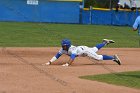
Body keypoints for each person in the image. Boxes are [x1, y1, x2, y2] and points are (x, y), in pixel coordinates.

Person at [43, 39, 121, 66]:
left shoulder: (72, 50)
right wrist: (49, 62)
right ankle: (105, 42)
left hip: (85, 51)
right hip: (82, 48)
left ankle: (114, 57)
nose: (62, 46)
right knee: (94, 49)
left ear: (67, 45)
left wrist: (67, 64)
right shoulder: (63, 49)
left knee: (98, 58)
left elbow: (72, 58)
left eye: (64, 45)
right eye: (62, 45)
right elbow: (57, 56)